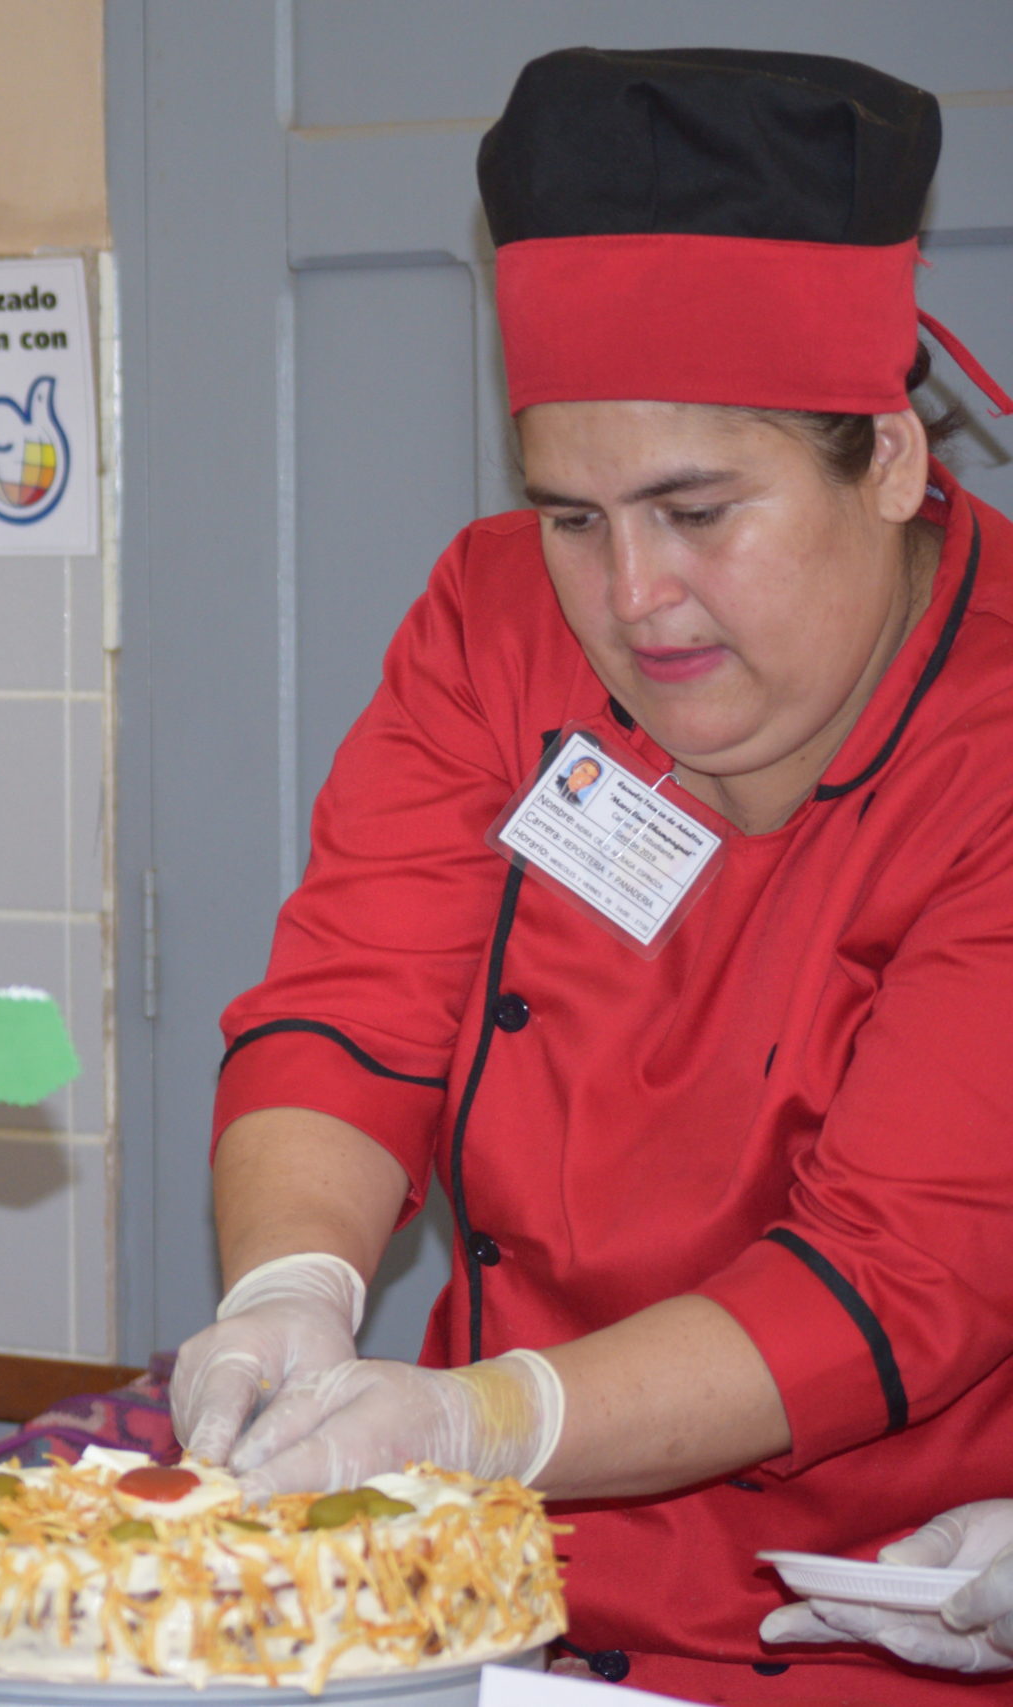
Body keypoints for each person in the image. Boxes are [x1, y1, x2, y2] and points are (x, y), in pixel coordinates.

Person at [166, 48, 1013, 1702]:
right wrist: (293, 1282)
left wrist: (490, 1417)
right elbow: (350, 1006)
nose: (633, 596)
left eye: (698, 511)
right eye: (572, 515)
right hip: (482, 1610)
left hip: (851, 1636)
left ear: (894, 460)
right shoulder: (493, 620)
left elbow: (897, 1268)